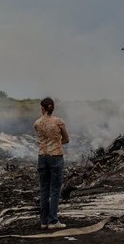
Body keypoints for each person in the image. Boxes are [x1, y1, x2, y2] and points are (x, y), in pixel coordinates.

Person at [34, 97, 70, 229]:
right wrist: (57, 142)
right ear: (53, 108)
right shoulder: (59, 122)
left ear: (42, 108)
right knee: (55, 189)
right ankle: (53, 221)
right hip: (55, 156)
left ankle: (43, 221)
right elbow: (66, 139)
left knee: (44, 189)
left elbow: (40, 139)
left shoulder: (37, 123)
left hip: (42, 157)